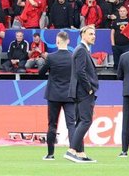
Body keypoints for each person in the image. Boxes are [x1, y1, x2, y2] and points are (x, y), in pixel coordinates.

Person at [37, 29, 76, 161]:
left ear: (57, 42)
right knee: (71, 124)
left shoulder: (51, 57)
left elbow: (40, 73)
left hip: (53, 95)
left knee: (52, 124)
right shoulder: (73, 57)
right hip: (69, 95)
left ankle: (50, 154)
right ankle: (73, 151)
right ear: (68, 41)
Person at [68, 24, 99, 163]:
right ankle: (72, 150)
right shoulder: (81, 50)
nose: (94, 36)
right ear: (83, 35)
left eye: (94, 34)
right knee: (86, 120)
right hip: (83, 91)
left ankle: (80, 153)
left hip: (79, 91)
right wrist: (89, 88)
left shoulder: (81, 49)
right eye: (91, 34)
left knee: (80, 121)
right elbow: (80, 71)